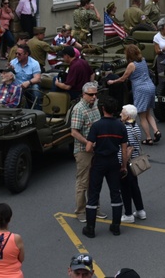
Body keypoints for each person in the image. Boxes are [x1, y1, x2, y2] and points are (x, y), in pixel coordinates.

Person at [83, 94, 130, 238]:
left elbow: (88, 148)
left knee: (93, 194)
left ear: (103, 109)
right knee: (115, 194)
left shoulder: (97, 126)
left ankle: (90, 228)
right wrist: (123, 165)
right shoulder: (120, 126)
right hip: (113, 162)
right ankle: (115, 227)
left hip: (99, 162)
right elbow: (123, 148)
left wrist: (96, 146)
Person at [108, 44, 158, 144]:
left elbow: (123, 78)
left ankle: (148, 138)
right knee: (148, 113)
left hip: (141, 90)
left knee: (142, 116)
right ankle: (157, 131)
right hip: (151, 87)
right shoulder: (143, 60)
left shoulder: (132, 65)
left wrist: (112, 82)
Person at [70, 82, 103, 223]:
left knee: (95, 181)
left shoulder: (95, 105)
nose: (94, 97)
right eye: (91, 94)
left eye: (95, 94)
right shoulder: (79, 109)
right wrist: (88, 143)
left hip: (97, 150)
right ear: (84, 95)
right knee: (83, 182)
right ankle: (80, 211)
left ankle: (94, 207)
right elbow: (74, 132)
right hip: (84, 151)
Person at [118, 104, 147, 223]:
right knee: (134, 186)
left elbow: (127, 149)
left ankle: (128, 214)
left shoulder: (125, 128)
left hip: (127, 161)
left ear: (128, 116)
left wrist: (122, 164)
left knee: (125, 188)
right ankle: (140, 210)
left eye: (122, 112)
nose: (120, 114)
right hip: (134, 161)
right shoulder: (135, 126)